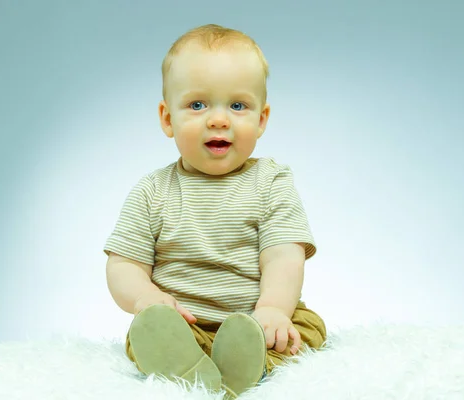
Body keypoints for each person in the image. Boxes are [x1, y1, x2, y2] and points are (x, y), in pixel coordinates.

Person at [104, 23, 326, 399]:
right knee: (146, 333)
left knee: (306, 327)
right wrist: (145, 298)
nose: (219, 119)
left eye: (238, 106)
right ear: (167, 119)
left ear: (262, 119)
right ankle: (189, 364)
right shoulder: (152, 191)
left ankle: (250, 361)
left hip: (256, 320)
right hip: (183, 323)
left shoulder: (270, 181)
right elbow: (124, 263)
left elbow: (283, 256)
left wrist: (273, 308)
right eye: (197, 104)